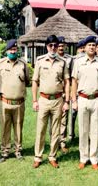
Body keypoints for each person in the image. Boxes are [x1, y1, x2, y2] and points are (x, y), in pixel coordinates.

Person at [32, 35, 70, 169]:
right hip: (43, 100)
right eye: (50, 45)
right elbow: (35, 81)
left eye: (55, 45)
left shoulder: (62, 62)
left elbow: (67, 82)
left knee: (55, 130)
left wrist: (66, 101)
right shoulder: (40, 61)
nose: (53, 48)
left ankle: (52, 156)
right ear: (46, 47)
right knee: (40, 129)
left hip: (58, 100)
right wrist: (35, 100)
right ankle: (38, 156)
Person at [71, 35, 98, 170]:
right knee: (83, 130)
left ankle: (94, 159)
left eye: (94, 45)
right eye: (89, 45)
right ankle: (83, 158)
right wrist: (73, 101)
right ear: (85, 47)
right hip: (82, 99)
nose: (92, 47)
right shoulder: (78, 62)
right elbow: (74, 82)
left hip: (97, 99)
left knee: (95, 130)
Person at [0, 39, 30, 163]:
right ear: (7, 51)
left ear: (17, 50)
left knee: (18, 127)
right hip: (5, 102)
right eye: (11, 49)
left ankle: (18, 150)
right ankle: (4, 151)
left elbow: (27, 81)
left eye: (15, 49)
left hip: (19, 103)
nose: (13, 51)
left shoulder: (23, 64)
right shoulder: (1, 63)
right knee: (5, 127)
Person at [56, 36, 73, 153]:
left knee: (64, 119)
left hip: (65, 93)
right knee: (54, 118)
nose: (61, 48)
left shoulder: (70, 59)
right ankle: (54, 141)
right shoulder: (53, 58)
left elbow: (72, 78)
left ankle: (62, 142)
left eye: (63, 46)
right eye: (59, 46)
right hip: (55, 93)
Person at [69, 38, 86, 142]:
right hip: (75, 90)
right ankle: (71, 135)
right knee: (73, 114)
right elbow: (71, 77)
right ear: (77, 49)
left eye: (84, 48)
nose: (83, 50)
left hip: (84, 91)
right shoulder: (73, 60)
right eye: (81, 48)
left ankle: (84, 136)